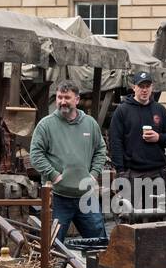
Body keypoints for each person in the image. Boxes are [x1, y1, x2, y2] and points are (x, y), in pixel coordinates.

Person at [29, 79, 109, 242]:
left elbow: (101, 150)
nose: (62, 102)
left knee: (98, 242)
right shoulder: (46, 125)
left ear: (77, 100)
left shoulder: (90, 124)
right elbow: (36, 154)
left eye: (67, 97)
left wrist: (93, 174)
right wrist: (54, 175)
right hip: (57, 196)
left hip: (85, 196)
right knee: (52, 246)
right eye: (59, 97)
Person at [108, 70, 166, 210]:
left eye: (147, 86)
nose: (144, 90)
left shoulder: (160, 109)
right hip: (133, 173)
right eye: (141, 86)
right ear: (134, 88)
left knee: (157, 217)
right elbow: (115, 142)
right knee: (132, 217)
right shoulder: (122, 111)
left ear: (152, 88)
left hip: (157, 172)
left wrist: (158, 137)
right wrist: (121, 172)